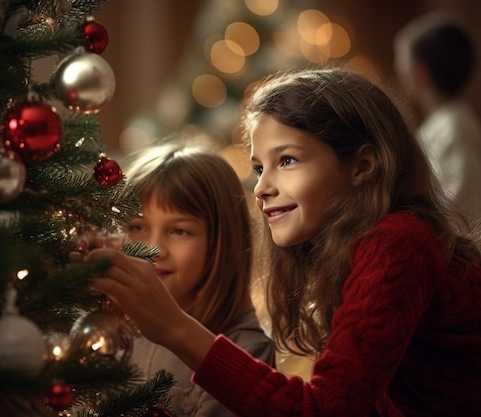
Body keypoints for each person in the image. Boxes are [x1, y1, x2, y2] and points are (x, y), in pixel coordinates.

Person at [85, 67, 481, 417]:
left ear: (362, 166)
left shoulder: (398, 243)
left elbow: (325, 409)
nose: (261, 187)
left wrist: (172, 327)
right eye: (258, 167)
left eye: (287, 160)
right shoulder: (352, 252)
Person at [121, 143, 275, 416]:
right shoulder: (106, 331)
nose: (153, 249)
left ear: (221, 243)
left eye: (179, 231)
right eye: (137, 227)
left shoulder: (246, 353)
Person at [393, 11, 481, 226]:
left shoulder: (455, 127)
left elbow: (459, 204)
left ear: (420, 73)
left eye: (401, 58)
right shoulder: (443, 123)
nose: (397, 66)